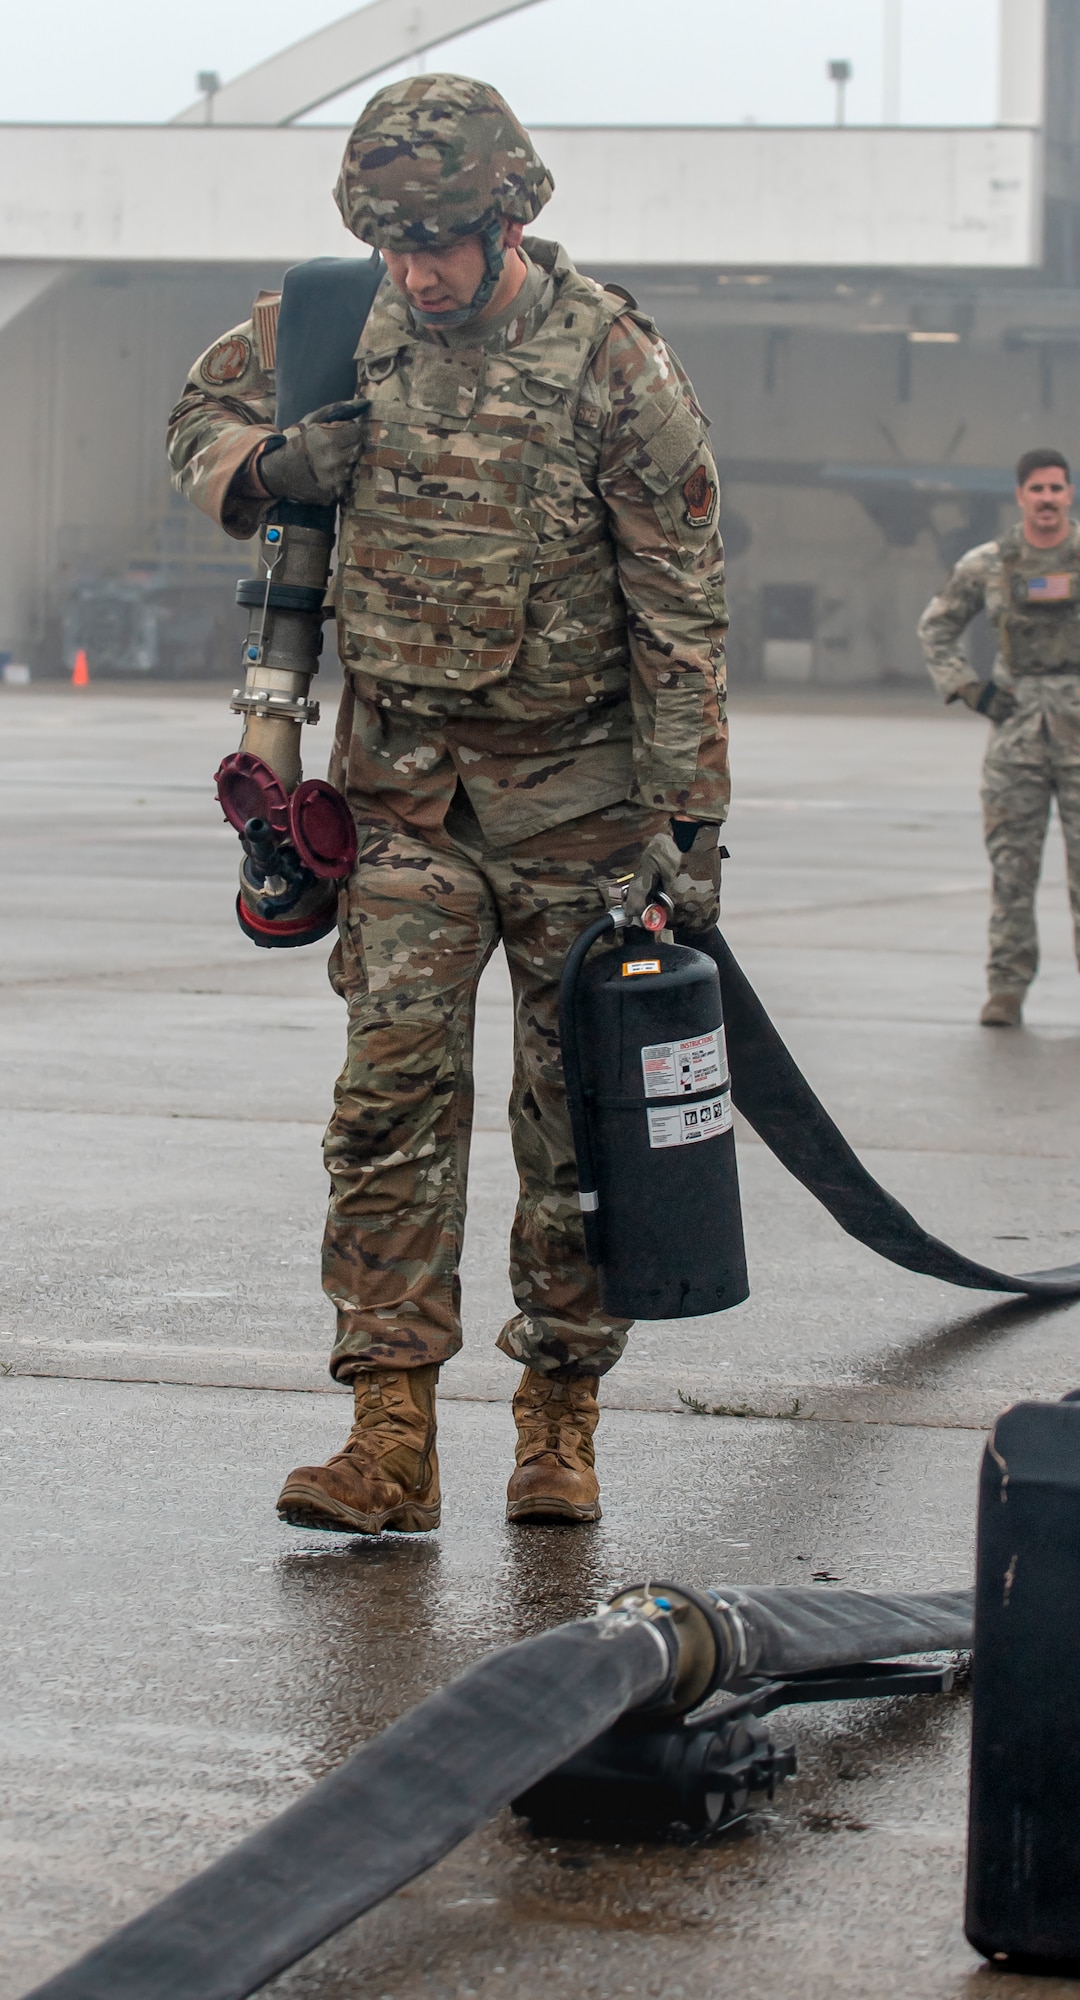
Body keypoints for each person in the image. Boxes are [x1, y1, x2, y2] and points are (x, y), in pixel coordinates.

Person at [167, 75, 729, 1533]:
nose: (417, 271)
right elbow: (199, 411)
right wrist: (262, 465)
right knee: (387, 1108)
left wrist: (693, 826)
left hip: (579, 816)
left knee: (575, 1127)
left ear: (508, 218)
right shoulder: (333, 317)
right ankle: (388, 1434)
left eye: (441, 243)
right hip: (403, 799)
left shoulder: (608, 360)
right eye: (394, 243)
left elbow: (681, 605)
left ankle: (557, 1421)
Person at [918, 449, 1080, 1031]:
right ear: (1020, 496)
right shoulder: (989, 564)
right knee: (1012, 869)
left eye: (1056, 489)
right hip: (1016, 739)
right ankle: (1006, 988)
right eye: (1036, 488)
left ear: (1070, 494)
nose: (1046, 499)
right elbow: (937, 624)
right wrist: (969, 689)